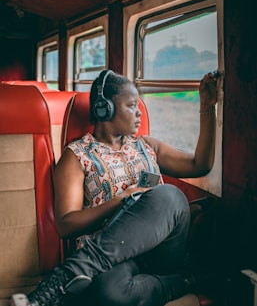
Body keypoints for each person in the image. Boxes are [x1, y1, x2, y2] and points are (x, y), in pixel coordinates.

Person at [11, 69, 219, 306]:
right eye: (131, 105)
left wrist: (207, 106)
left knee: (169, 196)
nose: (139, 112)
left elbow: (200, 165)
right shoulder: (77, 156)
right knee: (107, 292)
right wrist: (123, 199)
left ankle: (62, 280)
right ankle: (184, 281)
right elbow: (66, 225)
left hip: (162, 251)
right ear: (104, 109)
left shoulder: (147, 146)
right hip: (116, 260)